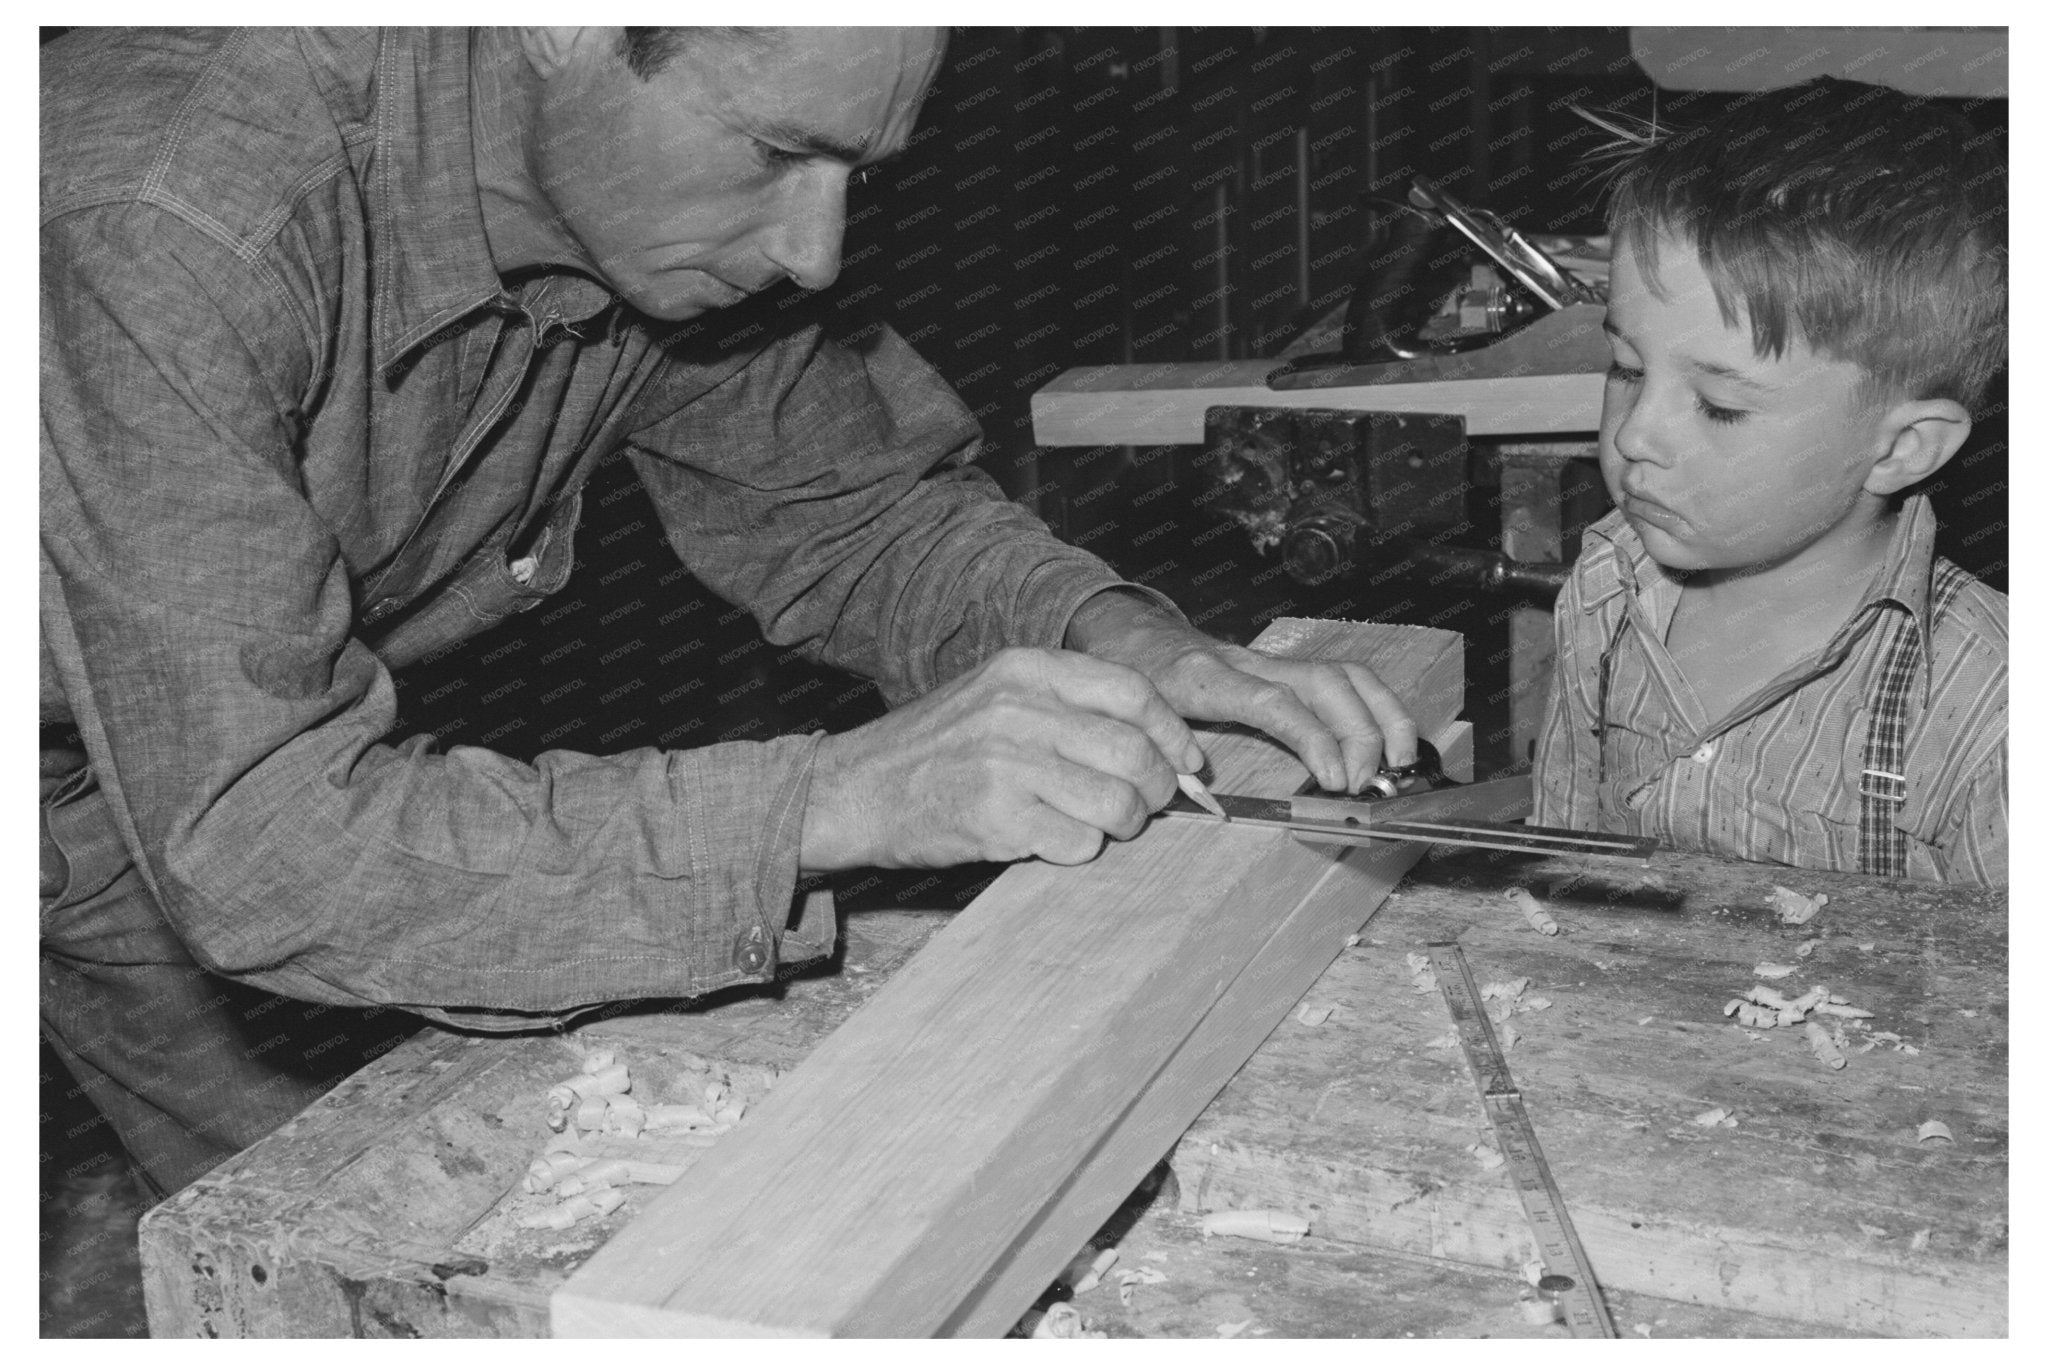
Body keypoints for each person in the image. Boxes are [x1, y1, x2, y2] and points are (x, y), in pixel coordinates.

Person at [40, 26, 1419, 1197]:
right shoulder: (176, 217)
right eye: (773, 154)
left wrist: (1122, 643)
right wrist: (832, 799)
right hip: (152, 769)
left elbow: (854, 513)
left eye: (855, 174)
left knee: (382, 1214)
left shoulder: (636, 222)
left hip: (183, 754)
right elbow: (269, 848)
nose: (819, 255)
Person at [1534, 76, 2006, 884]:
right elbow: (1562, 872)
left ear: (1903, 448)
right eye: (1625, 368)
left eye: (1718, 407)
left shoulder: (1992, 711)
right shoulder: (1605, 589)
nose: (1636, 432)